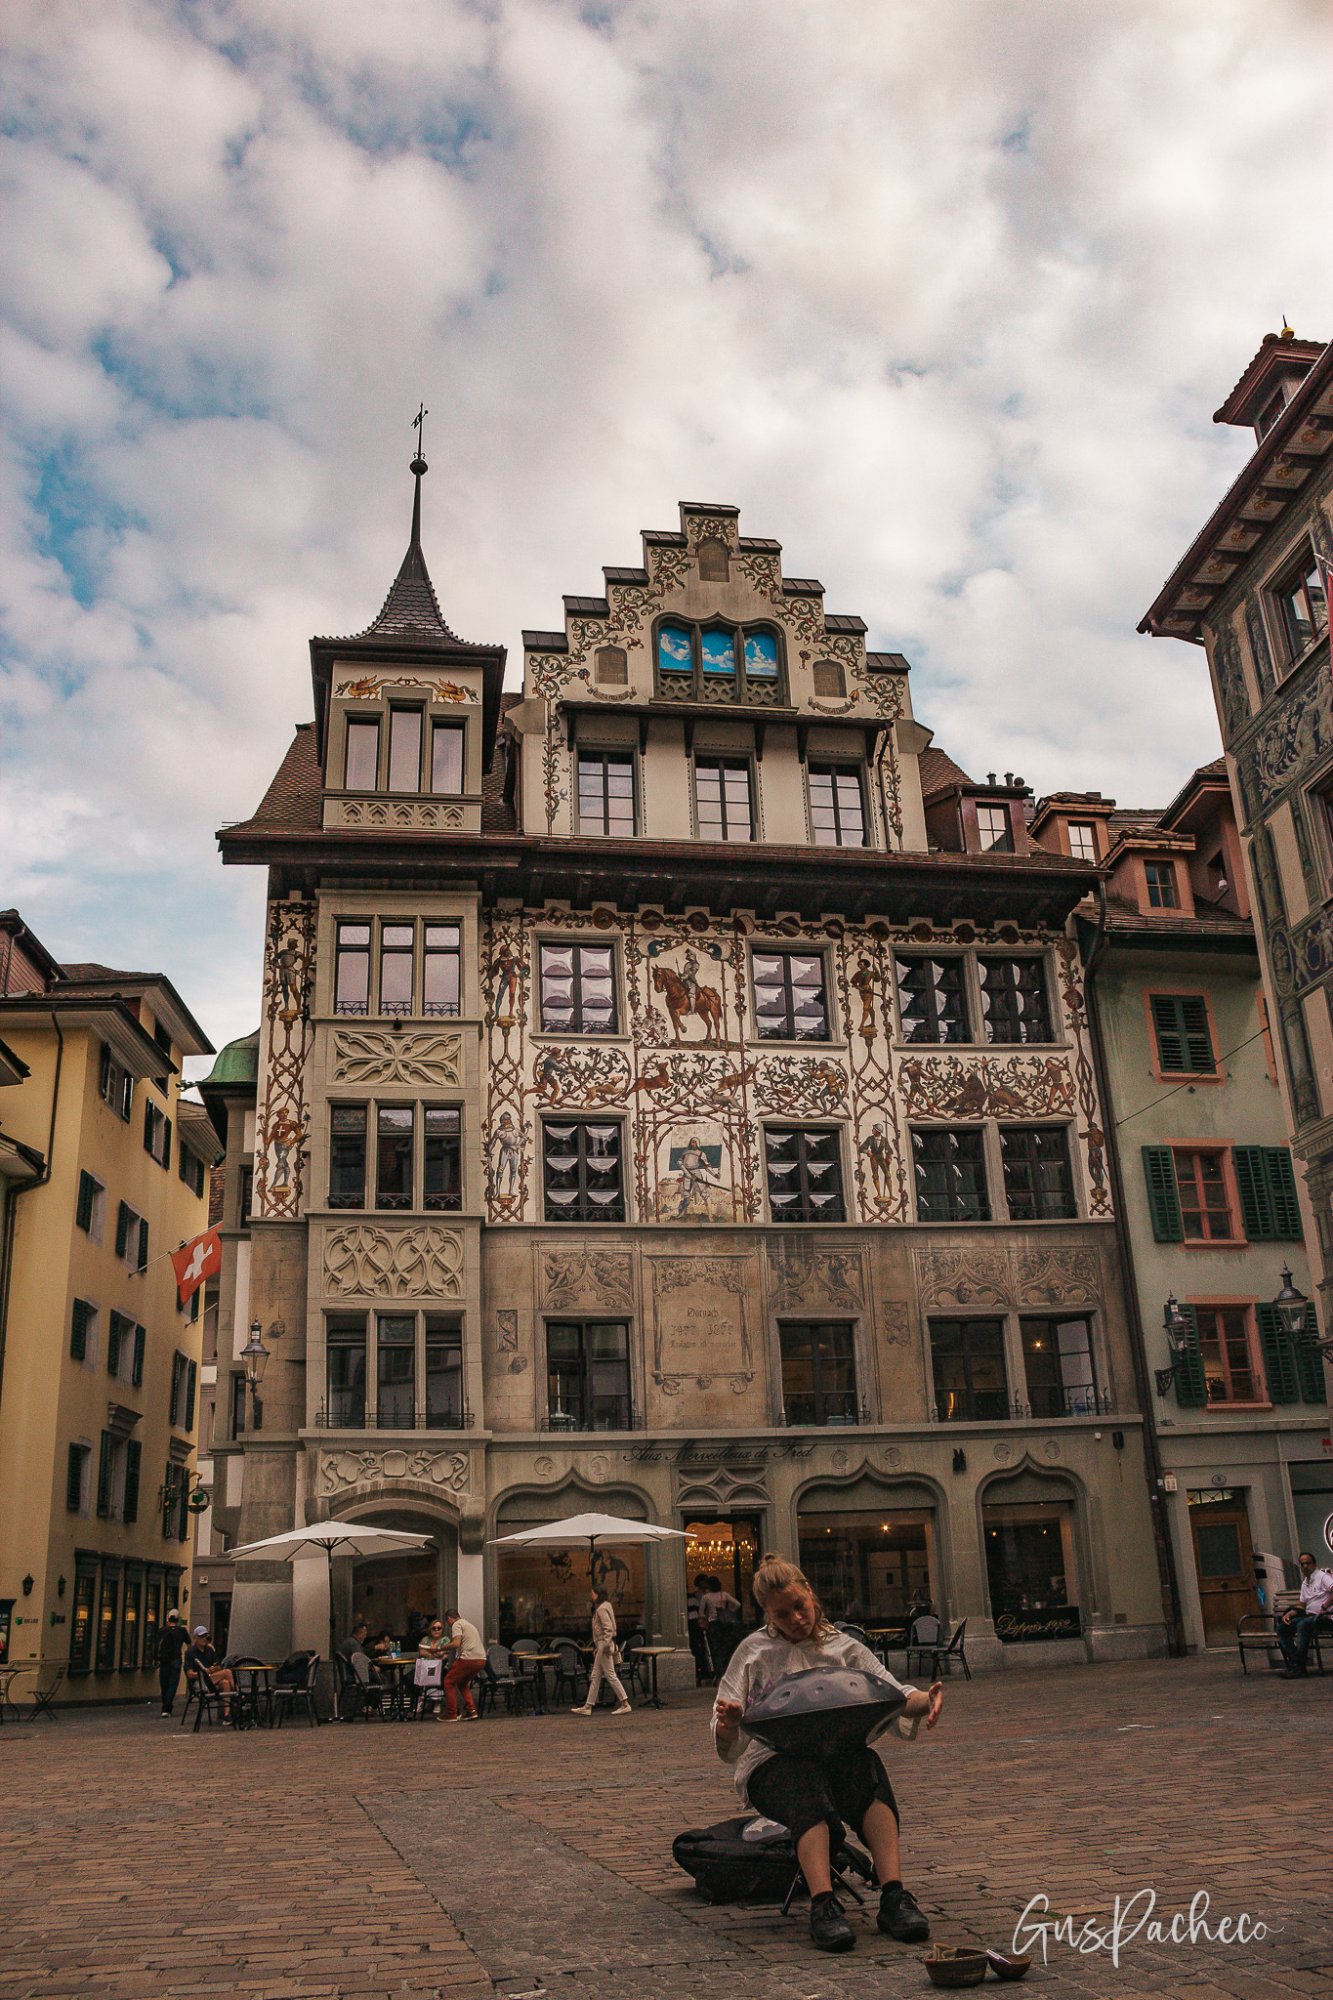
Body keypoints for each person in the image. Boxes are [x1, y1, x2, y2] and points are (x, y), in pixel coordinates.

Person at [712, 1552, 942, 1955]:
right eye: (782, 1615)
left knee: (867, 1766)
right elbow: (726, 1722)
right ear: (768, 1614)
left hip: (837, 1755)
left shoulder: (844, 1647)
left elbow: (893, 1693)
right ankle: (823, 1904)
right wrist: (731, 1721)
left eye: (800, 1607)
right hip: (771, 1762)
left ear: (811, 1594)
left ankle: (894, 1896)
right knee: (803, 1781)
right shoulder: (752, 1651)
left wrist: (927, 1700)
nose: (796, 1619)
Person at [572, 1587, 631, 1716]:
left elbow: (608, 1629)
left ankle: (625, 1703)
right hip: (604, 1646)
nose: (591, 1595)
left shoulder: (601, 1608)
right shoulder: (606, 1605)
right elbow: (611, 1628)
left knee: (608, 1675)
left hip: (603, 1646)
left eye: (592, 1593)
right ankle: (588, 1706)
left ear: (597, 1594)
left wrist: (601, 1646)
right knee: (596, 1676)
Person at [1276, 1550, 1333, 1678]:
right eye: (1302, 1564)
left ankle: (1299, 1667)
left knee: (1303, 1624)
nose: (1305, 1566)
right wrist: (1290, 1614)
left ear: (1314, 1564)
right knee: (1282, 1627)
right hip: (1310, 1616)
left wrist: (1325, 1605)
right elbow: (1302, 1605)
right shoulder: (1305, 1583)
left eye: (1308, 1563)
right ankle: (1296, 1664)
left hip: (1326, 1617)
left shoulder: (1323, 1577)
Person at [441, 1606, 486, 1720]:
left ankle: (451, 1713)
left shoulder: (457, 1625)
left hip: (469, 1658)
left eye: (448, 1622)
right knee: (461, 1682)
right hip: (481, 1659)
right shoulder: (469, 1624)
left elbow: (456, 1643)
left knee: (448, 1681)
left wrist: (442, 1648)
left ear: (450, 1618)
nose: (449, 1624)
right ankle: (471, 1710)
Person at [699, 1573, 743, 1679]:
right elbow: (737, 1604)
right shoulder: (724, 1595)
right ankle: (727, 1672)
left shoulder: (706, 1597)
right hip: (725, 1625)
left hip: (713, 1624)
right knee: (725, 1649)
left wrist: (705, 1618)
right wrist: (729, 1611)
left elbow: (701, 1613)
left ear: (709, 1585)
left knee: (715, 1650)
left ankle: (719, 1673)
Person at [155, 1608, 190, 1717]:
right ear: (178, 1619)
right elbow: (189, 1645)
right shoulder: (182, 1631)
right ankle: (167, 1708)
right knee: (172, 1684)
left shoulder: (162, 1631)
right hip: (176, 1660)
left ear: (168, 1619)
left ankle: (165, 1707)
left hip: (164, 1661)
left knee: (164, 1684)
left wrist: (155, 1658)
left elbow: (156, 1646)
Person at [414, 1617, 449, 1717]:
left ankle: (437, 1701)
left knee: (439, 1675)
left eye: (439, 1628)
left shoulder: (445, 1640)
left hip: (440, 1667)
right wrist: (435, 1653)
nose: (437, 1630)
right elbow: (421, 1652)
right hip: (425, 1667)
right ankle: (421, 1698)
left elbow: (444, 1654)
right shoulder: (425, 1639)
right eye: (434, 1628)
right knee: (409, 1677)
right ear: (430, 1629)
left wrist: (429, 1652)